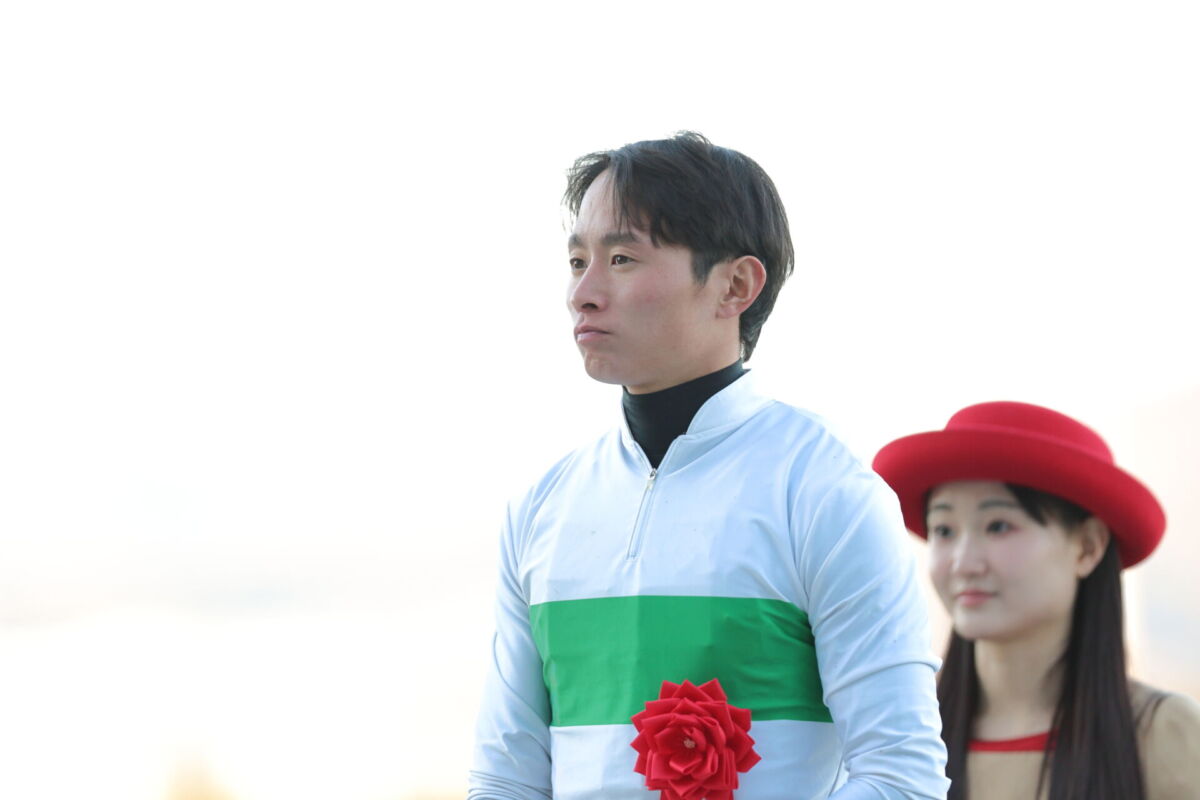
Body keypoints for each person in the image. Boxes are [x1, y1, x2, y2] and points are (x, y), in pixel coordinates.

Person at [468, 132, 949, 800]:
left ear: (735, 285)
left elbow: (902, 776)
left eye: (622, 258)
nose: (583, 291)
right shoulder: (541, 506)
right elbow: (505, 778)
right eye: (577, 261)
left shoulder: (824, 489)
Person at [873, 401, 1200, 800]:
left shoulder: (1164, 734)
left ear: (1088, 547)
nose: (963, 562)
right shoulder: (895, 737)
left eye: (998, 526)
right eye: (943, 530)